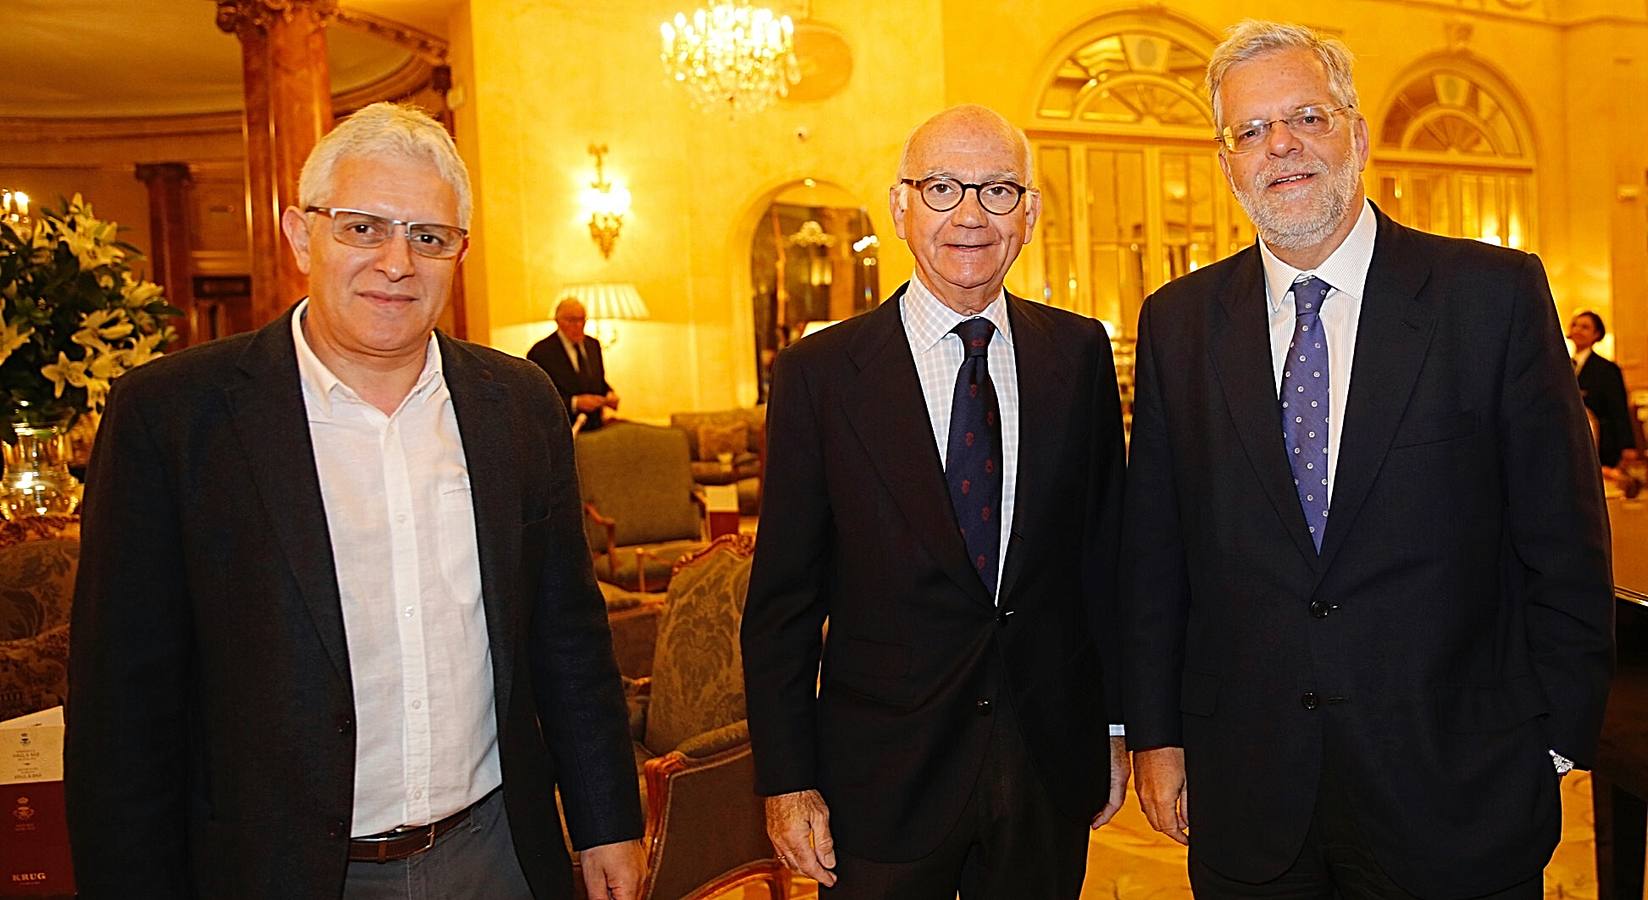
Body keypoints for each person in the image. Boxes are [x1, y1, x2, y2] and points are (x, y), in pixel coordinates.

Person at [64, 103, 644, 900]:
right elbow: (121, 705)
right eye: (363, 228)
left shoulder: (519, 404)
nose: (397, 262)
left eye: (429, 236)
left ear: (459, 253)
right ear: (302, 235)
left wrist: (609, 818)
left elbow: (567, 635)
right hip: (275, 869)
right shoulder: (174, 417)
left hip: (497, 855)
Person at [1121, 21, 1614, 898]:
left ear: (1356, 129)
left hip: (1457, 793)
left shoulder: (1491, 297)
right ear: (1226, 158)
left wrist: (1556, 733)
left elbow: (1564, 539)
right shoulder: (1180, 323)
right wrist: (1157, 736)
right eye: (1252, 130)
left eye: (1306, 117)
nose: (1281, 146)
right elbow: (1158, 556)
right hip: (1252, 800)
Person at [740, 105, 1129, 898]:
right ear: (900, 206)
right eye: (943, 186)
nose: (969, 215)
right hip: (880, 779)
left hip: (1045, 768)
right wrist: (787, 781)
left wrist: (1116, 728)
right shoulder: (820, 374)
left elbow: (1105, 560)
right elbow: (782, 602)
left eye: (996, 189)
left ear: (1030, 212)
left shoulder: (1078, 351)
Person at [527, 298, 618, 432]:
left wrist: (609, 393)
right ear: (558, 321)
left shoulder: (593, 345)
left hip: (595, 426)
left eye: (582, 319)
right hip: (563, 430)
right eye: (572, 320)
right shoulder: (541, 352)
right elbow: (537, 399)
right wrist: (574, 403)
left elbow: (596, 380)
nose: (579, 325)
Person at [1570, 310, 1637, 467]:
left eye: (1585, 327)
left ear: (1596, 334)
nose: (1578, 330)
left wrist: (1627, 445)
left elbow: (1618, 409)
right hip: (1572, 442)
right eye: (1575, 325)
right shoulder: (1562, 367)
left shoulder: (1607, 369)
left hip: (1603, 445)